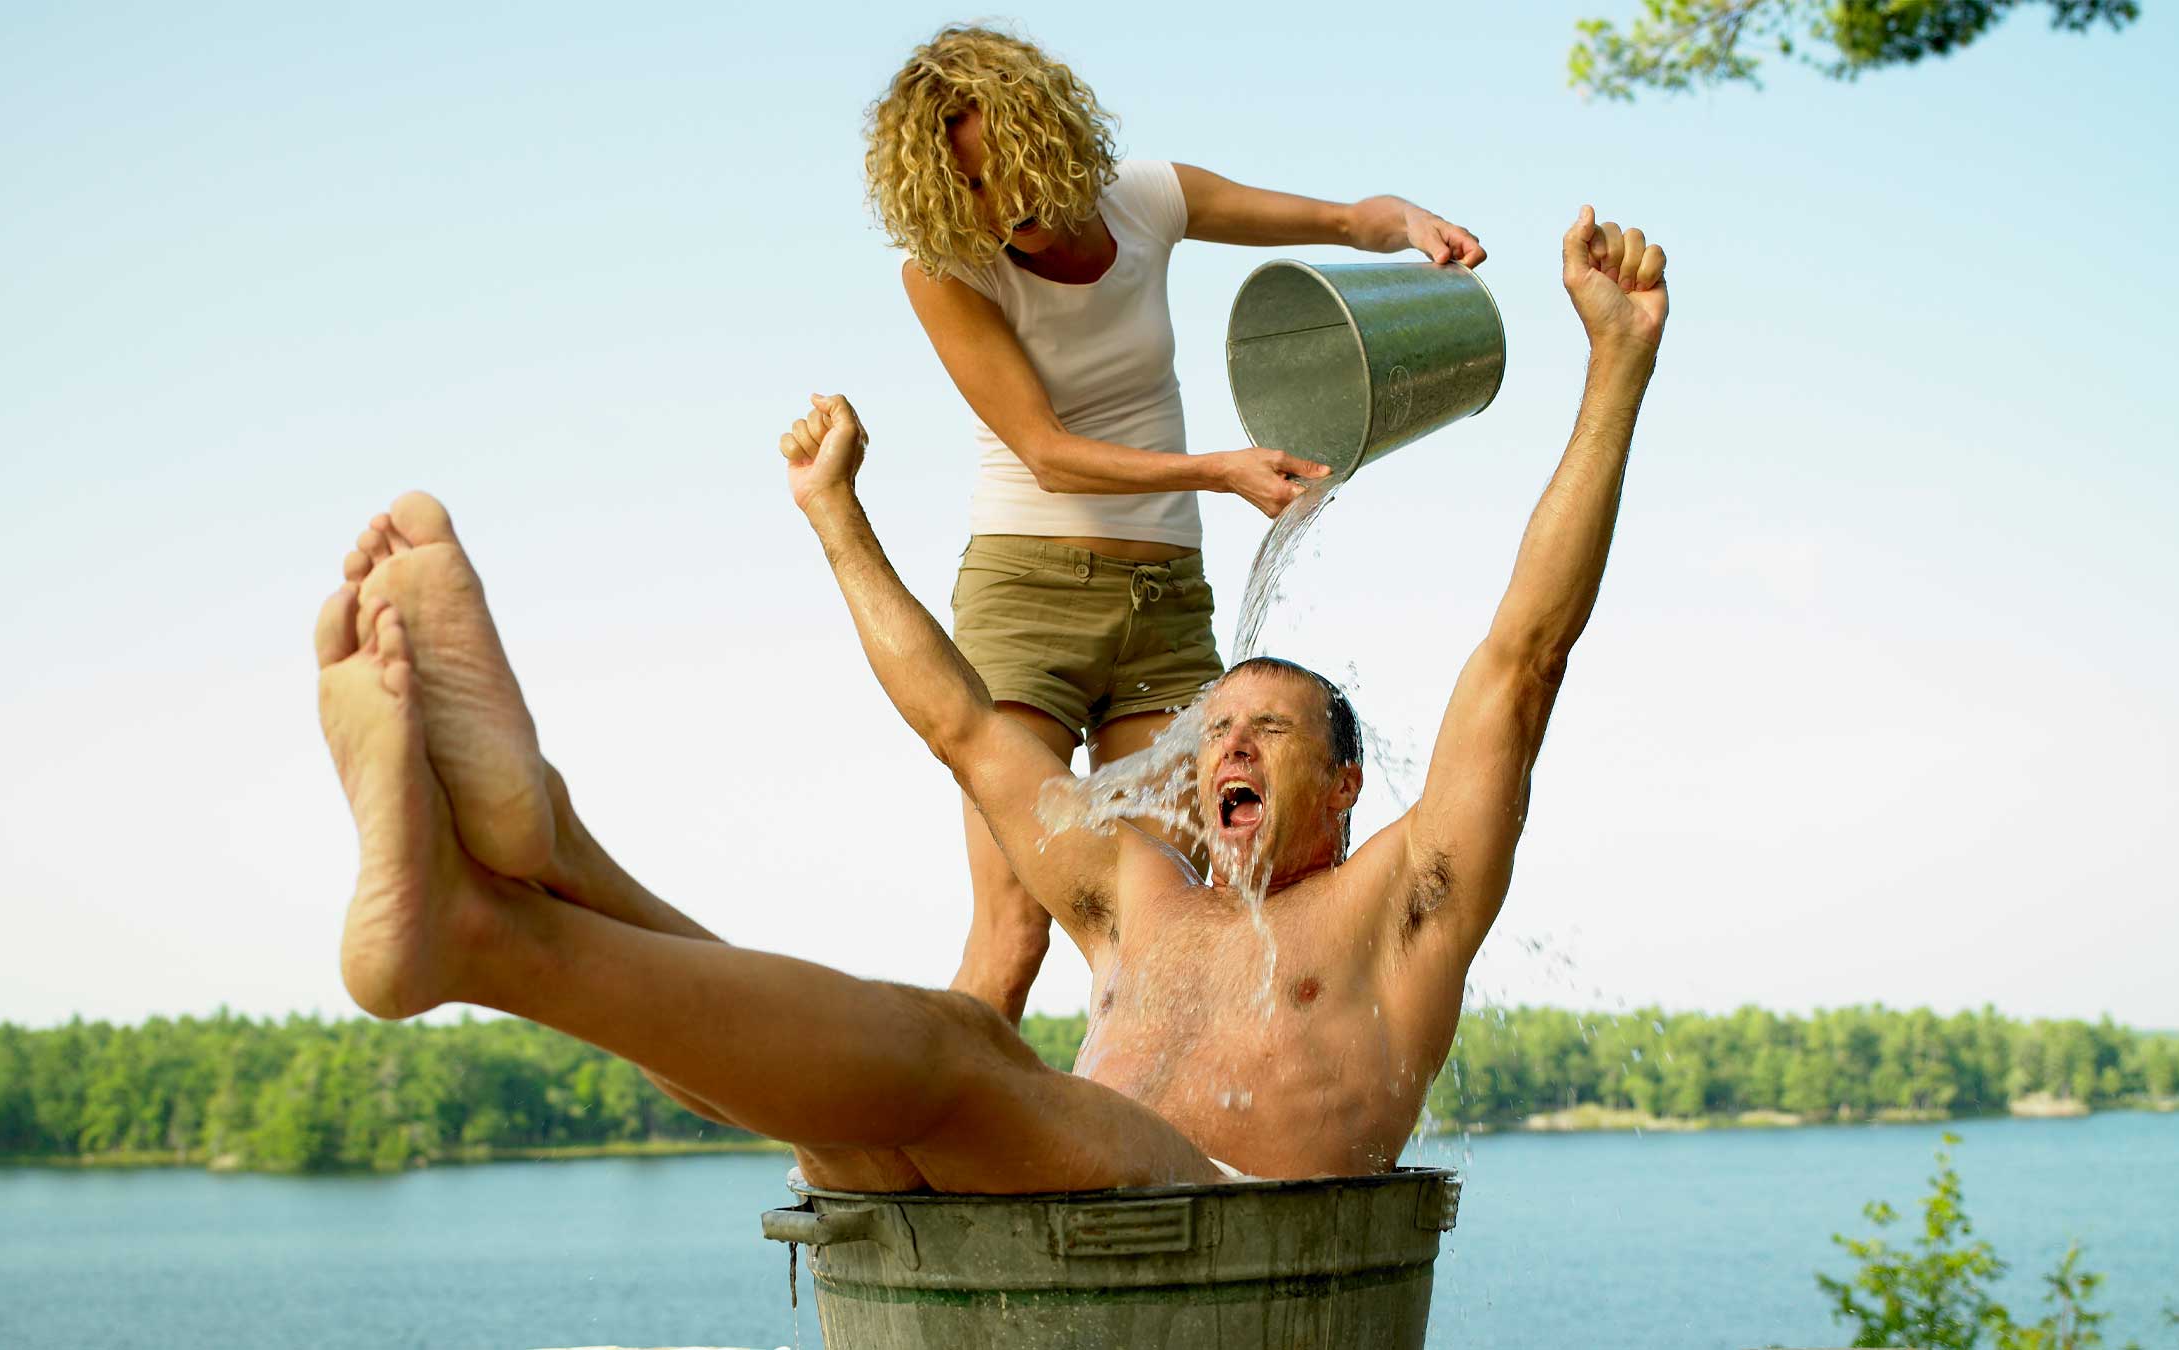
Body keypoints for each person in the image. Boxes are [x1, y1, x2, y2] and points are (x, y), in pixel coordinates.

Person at [320, 208, 1665, 1190]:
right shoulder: (1139, 892)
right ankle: (547, 852)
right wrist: (835, 518)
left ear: (1348, 780)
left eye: (1270, 729)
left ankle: (486, 929)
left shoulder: (1402, 902)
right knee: (839, 1119)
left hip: (1216, 1217)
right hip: (1046, 1193)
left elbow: (1522, 655)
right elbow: (962, 725)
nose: (1229, 744)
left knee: (954, 1047)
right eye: (1216, 729)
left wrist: (1614, 368)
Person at [865, 25, 1490, 1023]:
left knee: (1171, 923)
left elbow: (1338, 217)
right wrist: (1218, 469)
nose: (1003, 203)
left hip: (1163, 605)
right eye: (971, 187)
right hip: (1027, 603)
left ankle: (1167, 1159)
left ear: (1054, 134)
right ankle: (921, 1163)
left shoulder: (1149, 197)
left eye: (1011, 168)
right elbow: (1047, 451)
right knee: (1018, 930)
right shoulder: (946, 272)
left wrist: (1411, 225)